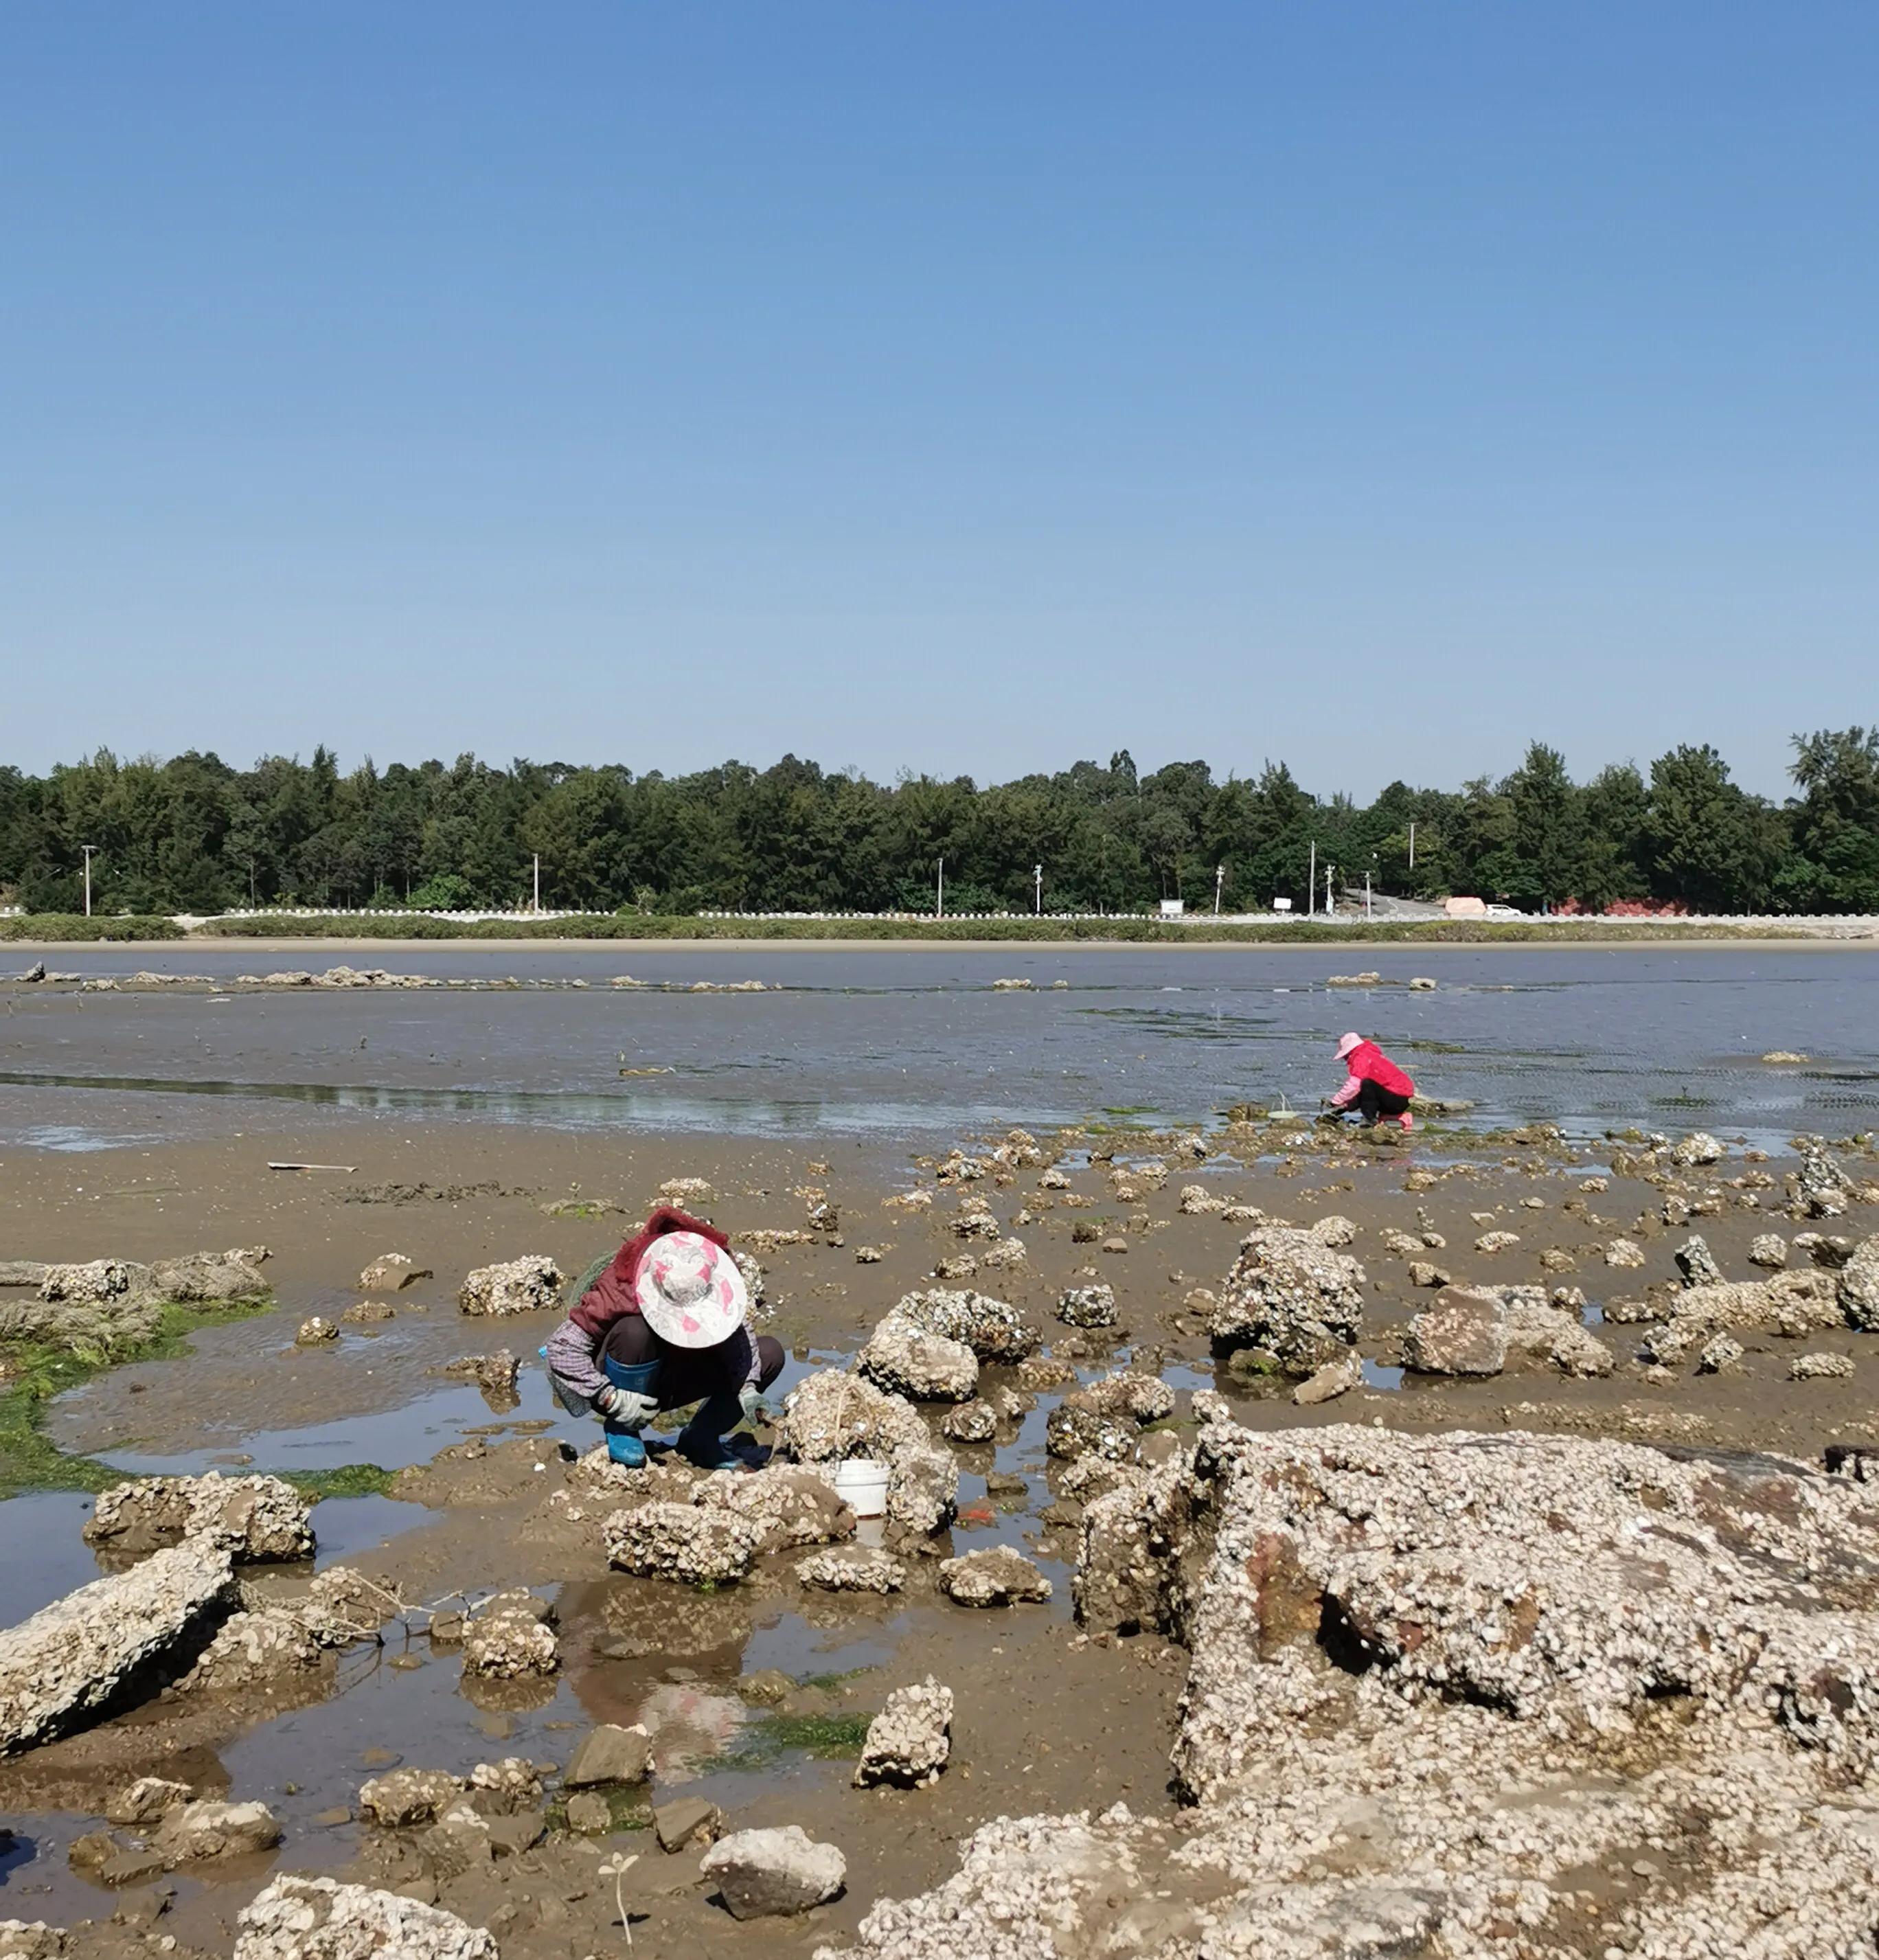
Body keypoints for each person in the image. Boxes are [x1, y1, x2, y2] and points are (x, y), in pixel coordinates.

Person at [545, 1205, 784, 1471]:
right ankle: (624, 1430)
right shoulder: (621, 1286)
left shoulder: (712, 1282)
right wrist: (609, 1397)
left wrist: (748, 1388)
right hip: (626, 1382)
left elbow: (740, 1339)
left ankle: (701, 1437)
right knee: (635, 1332)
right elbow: (561, 1349)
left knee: (768, 1354)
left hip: (680, 1375)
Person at [1327, 1031, 1417, 1131]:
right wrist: (1343, 1107)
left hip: (1396, 1100)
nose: (1345, 1059)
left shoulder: (1361, 1057)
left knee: (1367, 1084)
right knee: (1366, 1087)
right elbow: (1361, 1094)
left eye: (1345, 1056)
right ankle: (1396, 1116)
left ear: (1349, 1052)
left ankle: (1369, 1120)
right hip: (1400, 1099)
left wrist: (1336, 1101)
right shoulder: (1370, 1053)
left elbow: (1354, 1084)